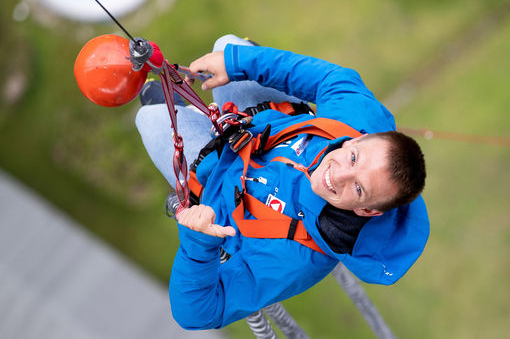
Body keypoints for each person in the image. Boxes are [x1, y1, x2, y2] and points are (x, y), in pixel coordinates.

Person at [135, 35, 429, 330]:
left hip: (212, 181)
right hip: (261, 120)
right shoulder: (360, 118)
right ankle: (217, 85)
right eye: (353, 158)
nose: (337, 175)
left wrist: (197, 242)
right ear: (360, 138)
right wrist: (237, 63)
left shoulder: (297, 258)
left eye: (358, 188)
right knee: (227, 47)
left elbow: (196, 313)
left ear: (368, 211)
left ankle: (177, 114)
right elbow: (332, 78)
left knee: (150, 119)